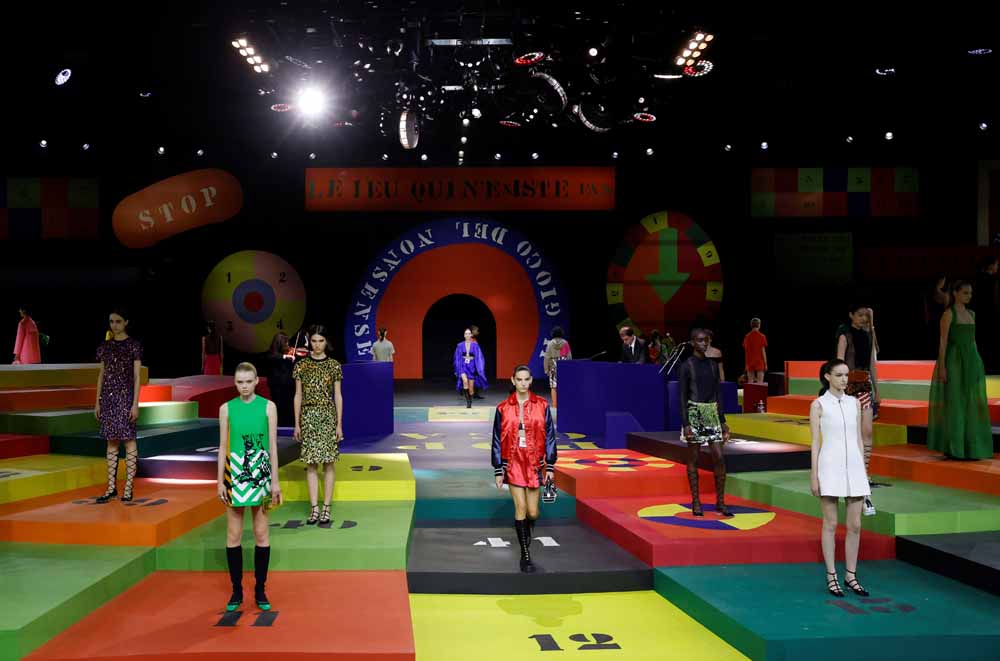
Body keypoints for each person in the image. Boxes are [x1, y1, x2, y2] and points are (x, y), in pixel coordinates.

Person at [218, 362, 282, 612]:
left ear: (256, 381)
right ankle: (236, 591)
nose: (244, 386)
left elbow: (273, 446)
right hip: (234, 475)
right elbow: (222, 447)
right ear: (235, 383)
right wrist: (220, 481)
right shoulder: (226, 409)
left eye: (248, 381)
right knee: (233, 534)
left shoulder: (269, 407)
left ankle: (260, 589)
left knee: (262, 533)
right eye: (239, 382)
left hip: (262, 475)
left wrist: (275, 482)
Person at [810, 359, 870, 598]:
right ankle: (831, 575)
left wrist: (863, 471)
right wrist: (814, 475)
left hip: (854, 468)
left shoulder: (854, 403)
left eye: (846, 375)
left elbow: (859, 439)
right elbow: (815, 442)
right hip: (829, 467)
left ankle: (851, 575)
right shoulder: (818, 405)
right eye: (839, 375)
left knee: (855, 525)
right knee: (831, 524)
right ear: (827, 376)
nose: (844, 379)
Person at [491, 365, 557, 573]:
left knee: (533, 512)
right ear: (513, 380)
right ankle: (525, 555)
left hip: (535, 462)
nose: (523, 383)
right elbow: (496, 438)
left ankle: (527, 529)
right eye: (519, 379)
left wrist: (550, 466)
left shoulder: (542, 405)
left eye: (526, 379)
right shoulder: (502, 408)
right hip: (513, 461)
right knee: (520, 508)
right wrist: (498, 469)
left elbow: (550, 435)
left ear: (531, 380)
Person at [927, 281, 994, 459]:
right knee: (955, 402)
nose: (968, 296)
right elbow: (943, 342)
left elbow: (973, 340)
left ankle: (971, 447)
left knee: (971, 402)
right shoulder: (949, 314)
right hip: (954, 361)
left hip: (972, 360)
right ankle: (955, 448)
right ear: (955, 293)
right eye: (965, 293)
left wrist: (978, 362)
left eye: (970, 293)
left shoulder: (972, 314)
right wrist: (942, 367)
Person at [293, 325, 344, 526]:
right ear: (309, 341)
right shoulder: (301, 365)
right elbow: (298, 395)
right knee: (311, 464)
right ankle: (314, 508)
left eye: (321, 341)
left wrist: (339, 424)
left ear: (326, 342)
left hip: (328, 416)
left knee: (329, 463)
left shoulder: (334, 365)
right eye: (314, 341)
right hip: (308, 417)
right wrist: (296, 423)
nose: (317, 345)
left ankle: (326, 508)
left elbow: (338, 395)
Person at [679, 328, 732, 516]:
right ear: (693, 342)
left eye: (706, 340)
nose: (704, 343)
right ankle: (696, 501)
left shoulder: (712, 365)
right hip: (694, 412)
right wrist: (686, 423)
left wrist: (722, 420)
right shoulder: (686, 365)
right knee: (694, 457)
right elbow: (682, 396)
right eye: (700, 340)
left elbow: (718, 393)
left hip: (712, 413)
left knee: (719, 457)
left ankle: (720, 502)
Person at [94, 308, 143, 503]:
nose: (114, 325)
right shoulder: (105, 347)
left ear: (126, 322)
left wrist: (135, 404)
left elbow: (137, 377)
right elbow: (101, 375)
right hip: (108, 398)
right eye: (111, 321)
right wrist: (97, 402)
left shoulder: (133, 346)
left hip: (125, 398)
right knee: (111, 441)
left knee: (129, 440)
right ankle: (111, 488)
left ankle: (128, 487)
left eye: (118, 321)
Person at [835, 304, 878, 516]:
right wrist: (839, 391)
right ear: (851, 314)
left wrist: (877, 390)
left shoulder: (868, 335)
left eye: (865, 316)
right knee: (849, 433)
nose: (863, 318)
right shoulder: (845, 335)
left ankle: (864, 472)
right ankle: (845, 472)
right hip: (847, 387)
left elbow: (872, 364)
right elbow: (838, 364)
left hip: (864, 385)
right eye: (859, 315)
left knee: (867, 431)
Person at [972, 257, 999, 372]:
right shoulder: (992, 280)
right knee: (990, 343)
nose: (997, 267)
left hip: (978, 315)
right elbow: (994, 301)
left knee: (981, 343)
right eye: (996, 264)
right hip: (990, 315)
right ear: (991, 265)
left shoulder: (976, 278)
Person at [265, 332, 296, 427]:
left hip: (289, 386)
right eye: (286, 343)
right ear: (280, 343)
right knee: (279, 407)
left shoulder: (288, 353)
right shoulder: (272, 354)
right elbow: (272, 357)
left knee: (289, 408)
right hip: (277, 387)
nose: (288, 345)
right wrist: (285, 356)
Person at [454, 328, 487, 408]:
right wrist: (457, 368)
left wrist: (479, 368)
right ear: (464, 335)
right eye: (466, 333)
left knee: (471, 389)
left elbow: (479, 357)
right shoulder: (460, 345)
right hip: (463, 365)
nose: (468, 335)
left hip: (471, 367)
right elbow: (457, 357)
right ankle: (468, 403)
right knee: (465, 381)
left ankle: (470, 401)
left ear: (471, 335)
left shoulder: (475, 345)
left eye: (469, 333)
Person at [543, 326, 571, 409]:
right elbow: (569, 356)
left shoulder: (550, 343)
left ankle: (554, 405)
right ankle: (563, 404)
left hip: (553, 367)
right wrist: (570, 367)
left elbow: (546, 358)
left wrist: (546, 369)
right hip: (564, 366)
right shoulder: (565, 343)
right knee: (563, 386)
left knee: (553, 387)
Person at [742, 318, 768, 384]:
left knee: (750, 382)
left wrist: (746, 364)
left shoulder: (747, 336)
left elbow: (746, 350)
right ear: (759, 325)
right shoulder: (762, 336)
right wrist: (765, 364)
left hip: (749, 361)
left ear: (751, 325)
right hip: (759, 361)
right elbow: (763, 351)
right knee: (760, 383)